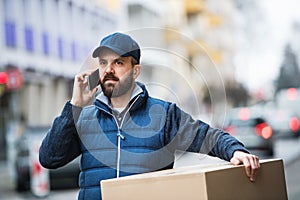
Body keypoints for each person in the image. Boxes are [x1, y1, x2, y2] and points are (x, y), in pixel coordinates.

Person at [39, 32, 260, 200]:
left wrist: (236, 150)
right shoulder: (84, 117)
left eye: (118, 62)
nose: (108, 69)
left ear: (136, 71)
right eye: (103, 63)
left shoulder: (163, 114)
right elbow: (49, 158)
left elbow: (208, 136)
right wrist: (75, 107)